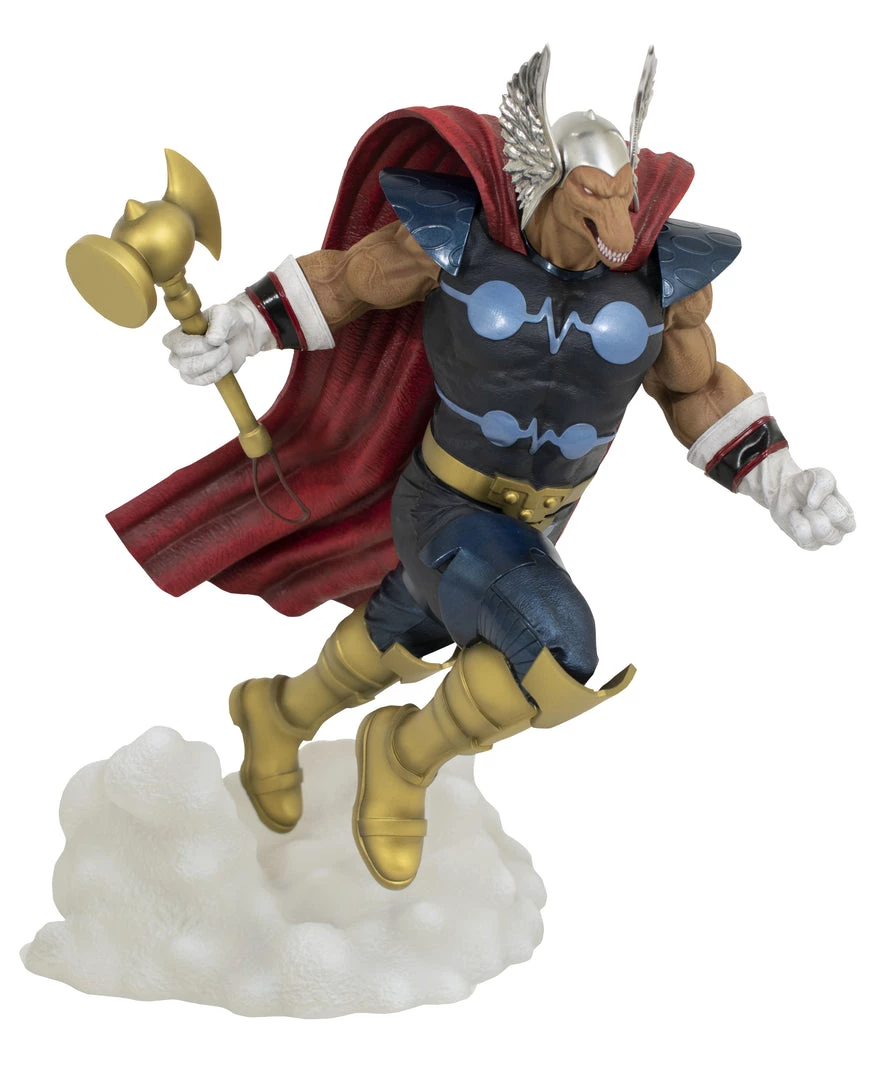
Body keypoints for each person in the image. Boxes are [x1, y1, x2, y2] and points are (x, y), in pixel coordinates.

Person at [124, 47, 853, 890]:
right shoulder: (454, 240)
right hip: (444, 498)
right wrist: (243, 325)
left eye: (624, 199)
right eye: (593, 199)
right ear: (549, 184)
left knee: (416, 620)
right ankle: (403, 756)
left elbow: (695, 386)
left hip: (538, 522)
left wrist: (780, 480)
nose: (617, 226)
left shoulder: (663, 276)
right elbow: (348, 281)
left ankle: (278, 713)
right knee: (552, 642)